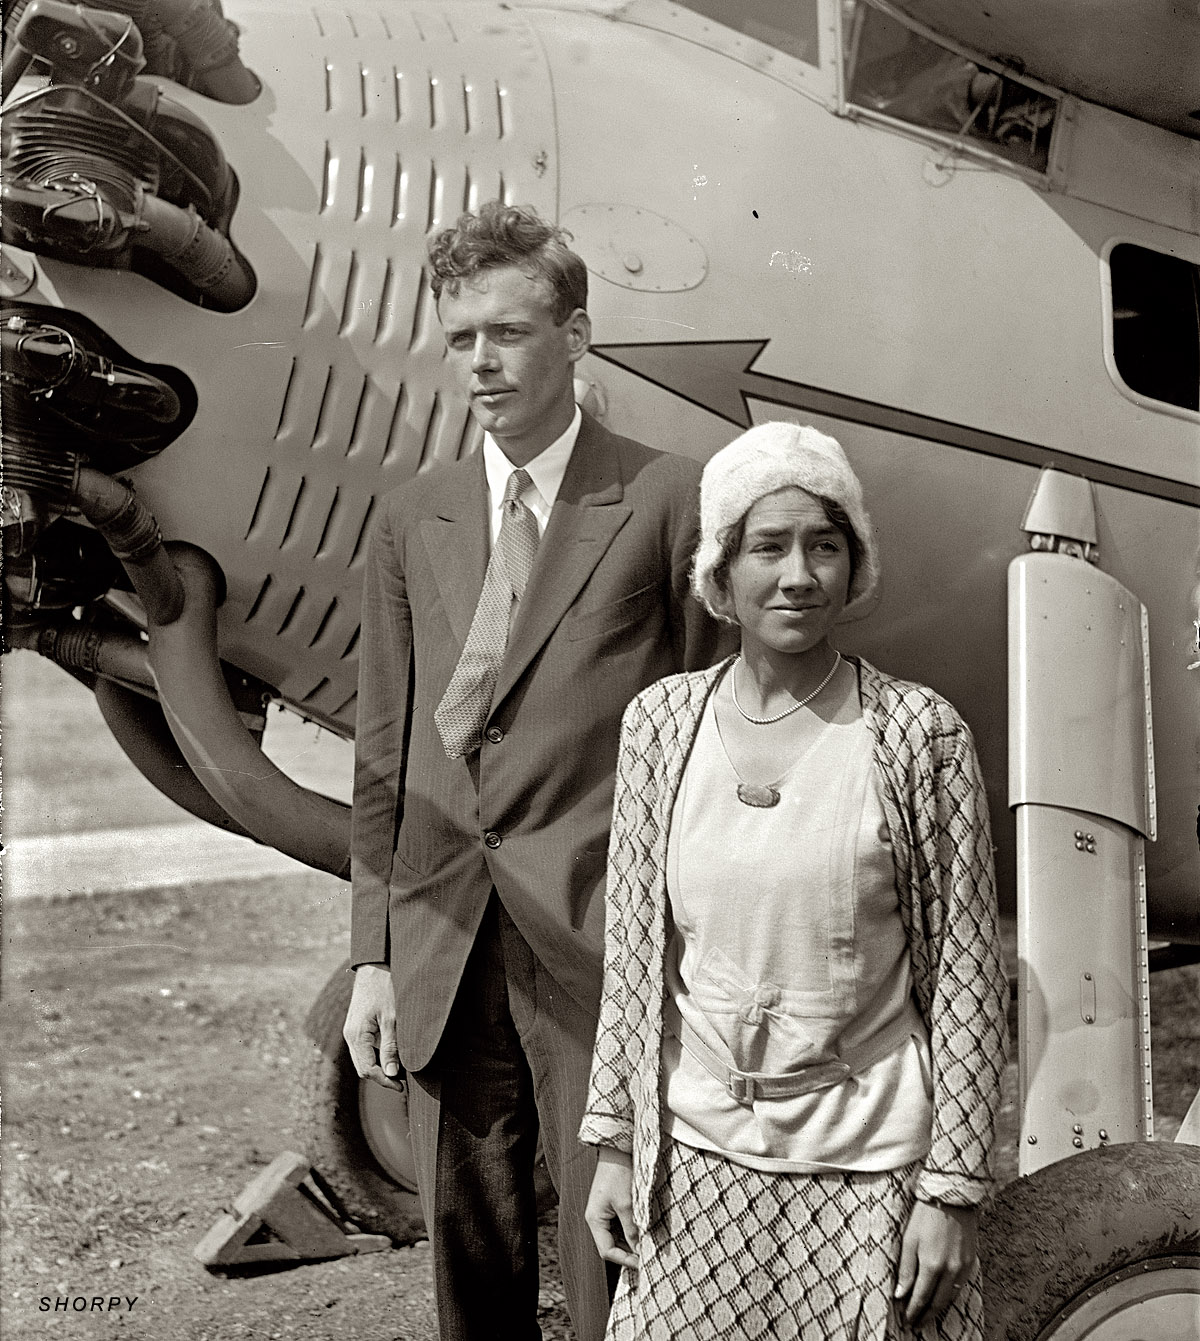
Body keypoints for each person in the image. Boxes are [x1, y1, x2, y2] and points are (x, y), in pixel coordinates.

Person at [342, 201, 728, 1341]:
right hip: (443, 938)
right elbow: (383, 752)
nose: (481, 362)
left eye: (508, 333)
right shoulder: (410, 517)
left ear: (576, 336)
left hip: (601, 935)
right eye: (461, 338)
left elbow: (712, 736)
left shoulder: (670, 497)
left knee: (619, 1250)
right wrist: (373, 954)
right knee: (470, 1256)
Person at [581, 421, 1009, 1340]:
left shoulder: (917, 733)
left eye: (825, 545)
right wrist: (614, 1144)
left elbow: (968, 976)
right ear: (721, 571)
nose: (799, 575)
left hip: (871, 1176)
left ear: (855, 565)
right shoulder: (661, 724)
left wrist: (953, 1190)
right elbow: (634, 956)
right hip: (695, 1168)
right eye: (767, 547)